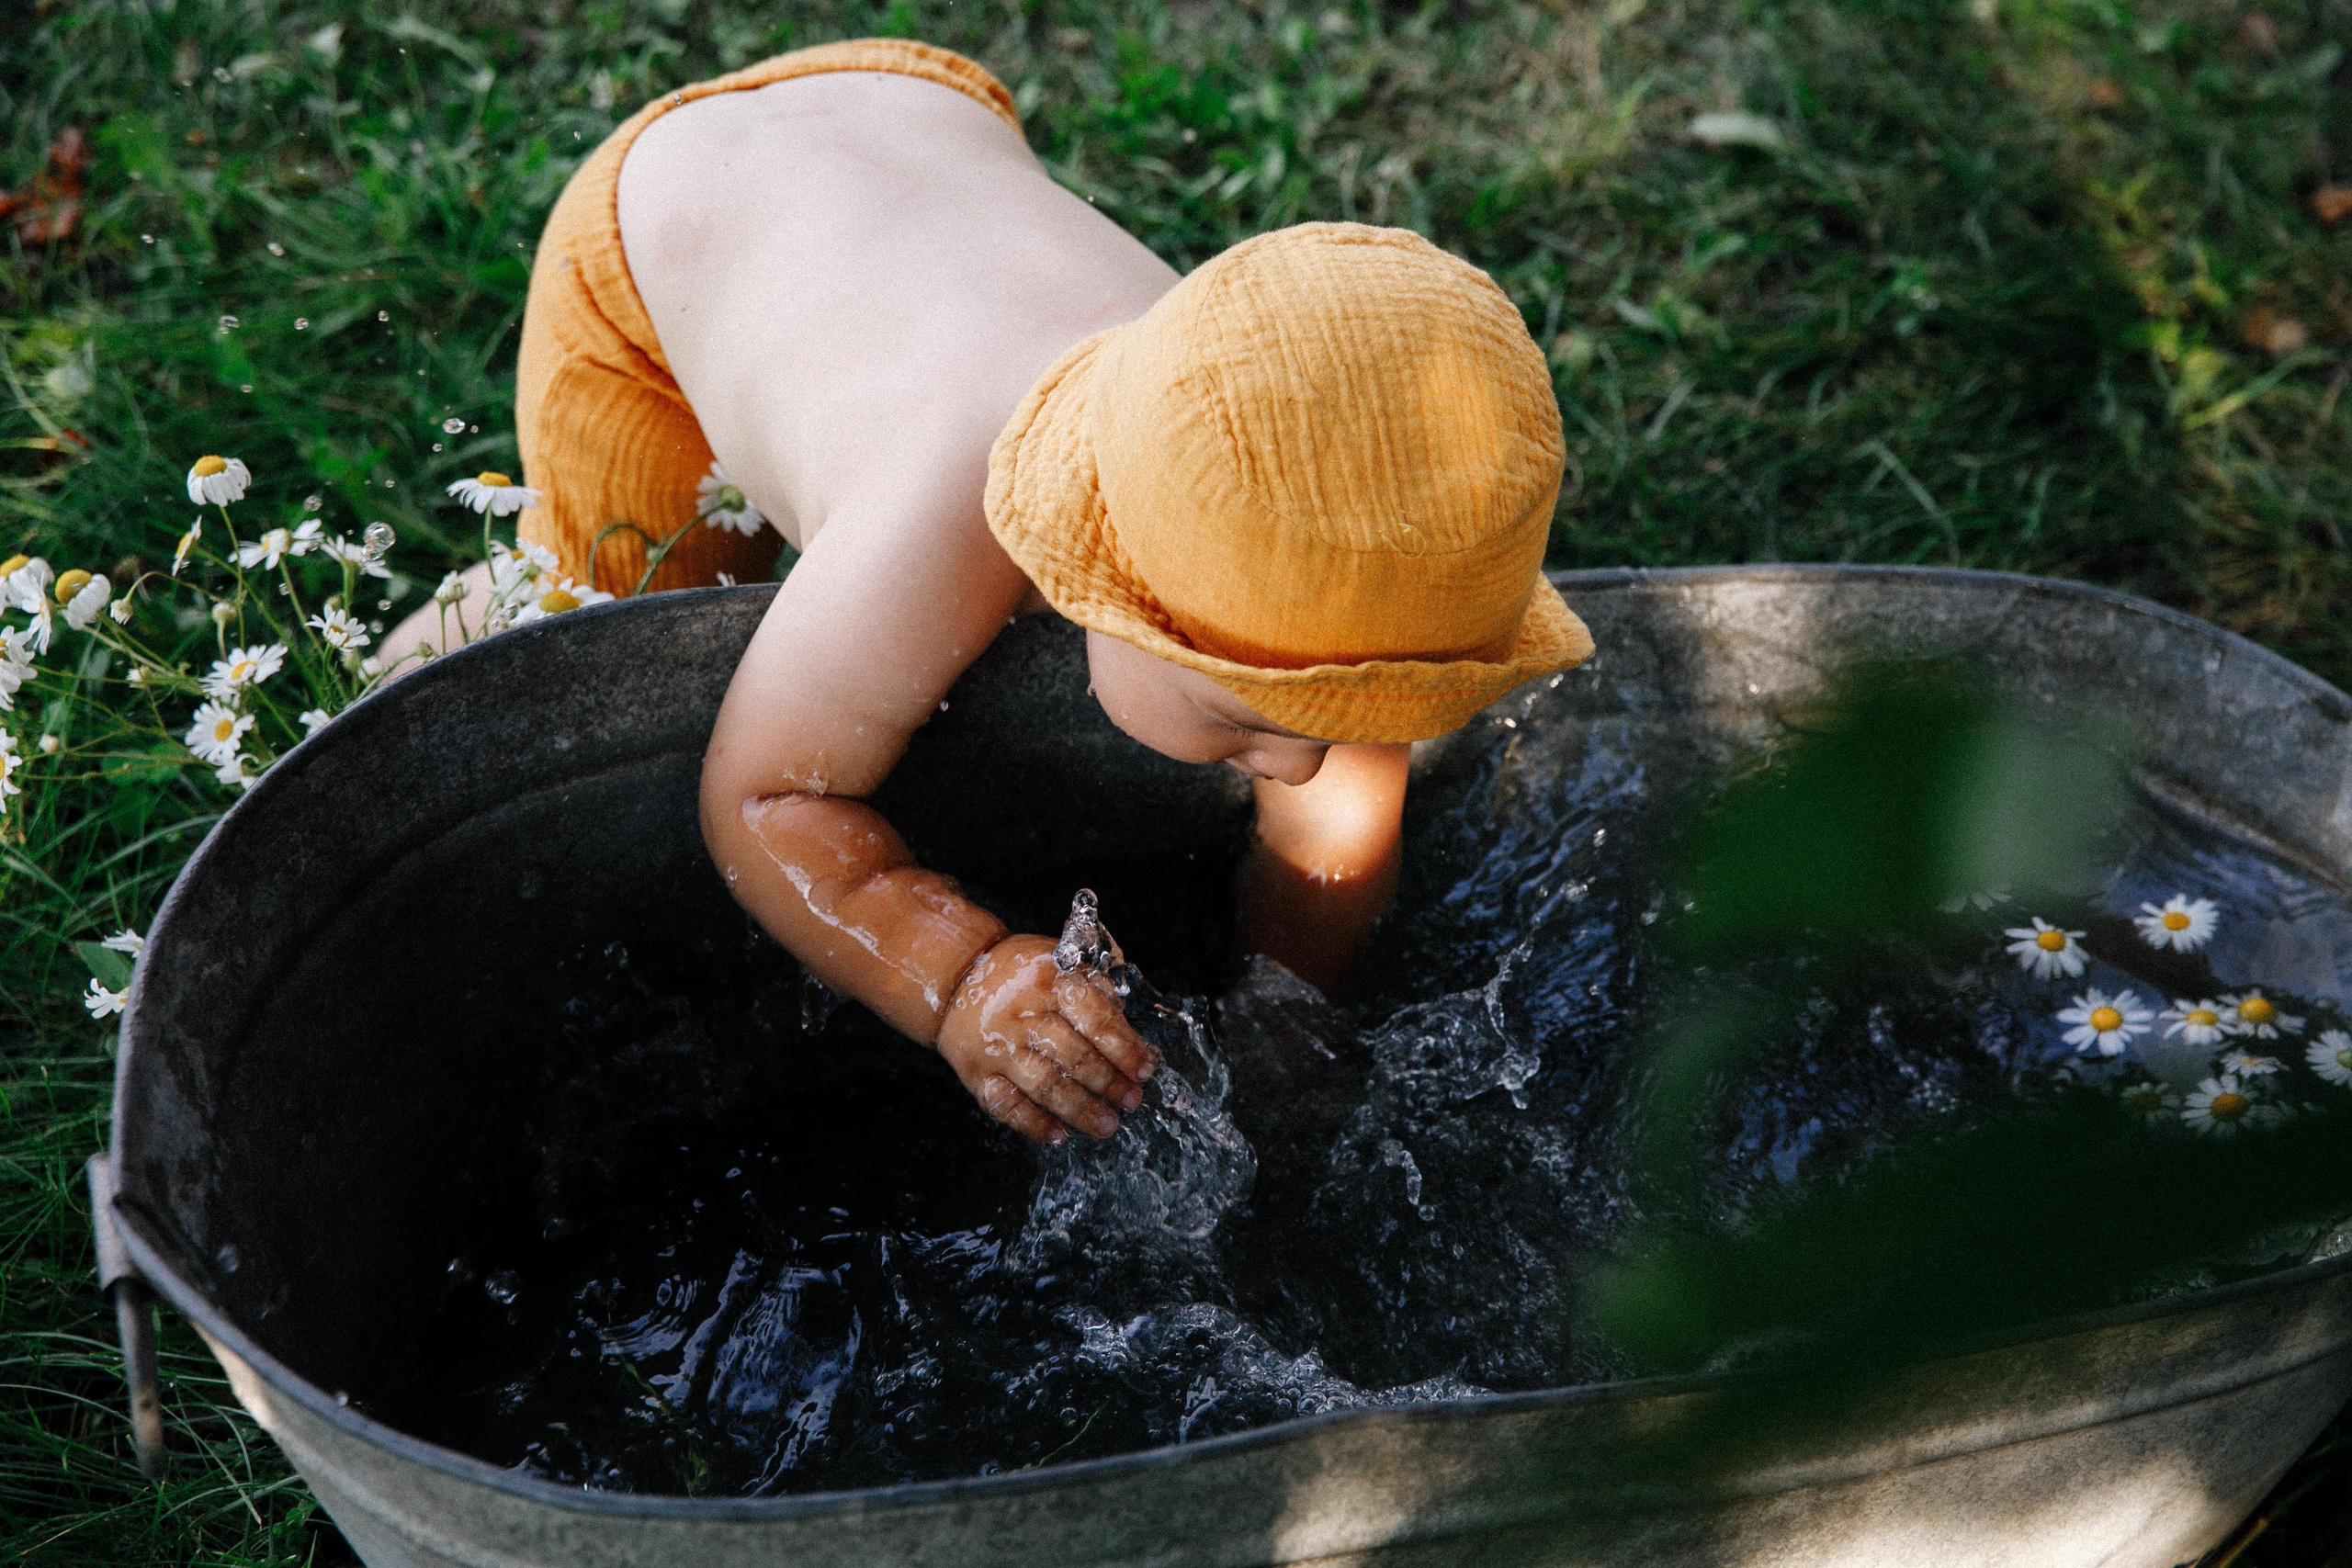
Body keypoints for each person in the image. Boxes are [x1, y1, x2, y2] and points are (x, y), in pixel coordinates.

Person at [394, 39, 1592, 1146]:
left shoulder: (1262, 472)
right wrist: (959, 976)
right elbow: (765, 798)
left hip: (919, 123)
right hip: (673, 231)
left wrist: (1285, 1036)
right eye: (1245, 714)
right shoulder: (938, 517)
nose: (1299, 762)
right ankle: (411, 657)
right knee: (605, 615)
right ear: (1108, 578)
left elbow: (1333, 839)